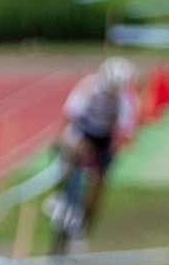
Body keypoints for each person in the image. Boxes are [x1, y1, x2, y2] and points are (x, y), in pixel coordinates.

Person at [55, 56, 133, 243]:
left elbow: (124, 132)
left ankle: (86, 223)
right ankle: (64, 196)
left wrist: (109, 152)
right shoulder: (88, 88)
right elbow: (69, 116)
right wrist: (69, 142)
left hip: (104, 139)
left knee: (99, 185)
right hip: (82, 133)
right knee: (71, 163)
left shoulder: (124, 99)